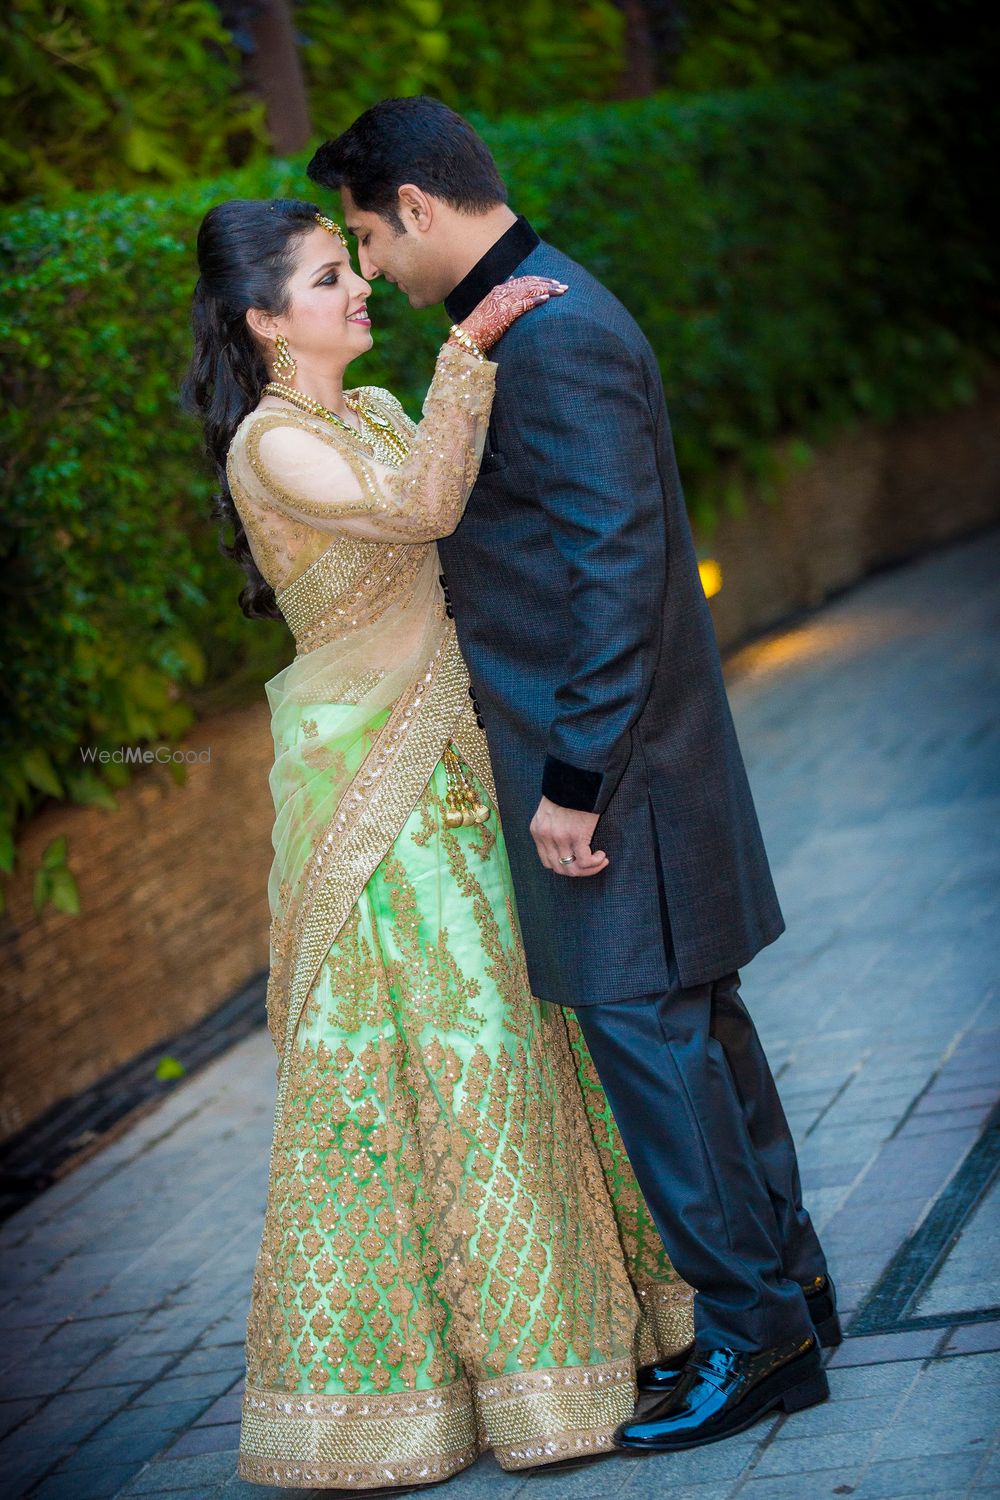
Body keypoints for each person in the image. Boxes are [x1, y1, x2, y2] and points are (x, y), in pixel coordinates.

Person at [305, 97, 841, 1453]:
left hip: (617, 774)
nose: (369, 267)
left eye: (367, 236)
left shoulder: (556, 336)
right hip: (641, 767)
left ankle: (754, 1334)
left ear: (416, 208)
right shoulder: (535, 321)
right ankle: (794, 1290)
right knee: (702, 1035)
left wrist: (575, 782)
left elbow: (617, 573)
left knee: (657, 1055)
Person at [183, 198, 696, 1490]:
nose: (357, 288)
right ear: (259, 319)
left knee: (527, 1033)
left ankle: (599, 1343)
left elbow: (454, 514)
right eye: (322, 278)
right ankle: (487, 1395)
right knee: (458, 1052)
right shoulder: (271, 444)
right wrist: (471, 351)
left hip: (459, 758)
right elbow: (419, 512)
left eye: (349, 265)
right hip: (374, 800)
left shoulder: (364, 410)